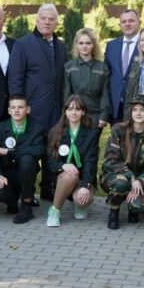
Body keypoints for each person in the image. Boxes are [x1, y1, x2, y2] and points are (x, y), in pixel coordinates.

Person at [101, 94, 144, 229]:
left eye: (142, 110)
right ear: (131, 112)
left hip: (139, 181)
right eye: (135, 110)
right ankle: (114, 210)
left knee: (141, 206)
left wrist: (139, 181)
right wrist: (131, 177)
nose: (138, 113)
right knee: (121, 183)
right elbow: (110, 161)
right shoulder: (118, 130)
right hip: (115, 176)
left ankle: (132, 209)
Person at [7, 3, 67, 133]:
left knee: (54, 150)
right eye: (43, 18)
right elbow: (15, 79)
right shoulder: (22, 45)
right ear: (37, 21)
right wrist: (19, 108)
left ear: (56, 23)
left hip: (57, 111)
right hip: (33, 110)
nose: (47, 22)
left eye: (51, 19)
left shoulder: (62, 47)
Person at [0, 95, 47, 224]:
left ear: (28, 110)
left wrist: (9, 152)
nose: (16, 110)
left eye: (20, 107)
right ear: (9, 111)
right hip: (7, 172)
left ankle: (26, 205)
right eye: (13, 107)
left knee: (27, 160)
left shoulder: (37, 128)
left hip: (26, 172)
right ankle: (12, 202)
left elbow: (39, 150)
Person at [43, 95, 99, 226]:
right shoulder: (55, 132)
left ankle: (79, 204)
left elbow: (91, 163)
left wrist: (85, 186)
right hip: (62, 178)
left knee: (82, 200)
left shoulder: (91, 134)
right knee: (69, 175)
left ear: (83, 112)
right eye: (70, 109)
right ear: (65, 111)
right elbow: (50, 162)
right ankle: (55, 211)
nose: (73, 112)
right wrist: (63, 166)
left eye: (77, 109)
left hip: (83, 178)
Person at [63, 28, 112, 128]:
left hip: (95, 117)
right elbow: (66, 93)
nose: (84, 46)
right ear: (76, 44)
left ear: (93, 45)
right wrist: (65, 114)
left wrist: (104, 116)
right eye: (81, 43)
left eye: (88, 43)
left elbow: (105, 95)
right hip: (74, 115)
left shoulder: (102, 68)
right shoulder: (69, 67)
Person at [104, 8, 141, 122]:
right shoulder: (112, 45)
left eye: (131, 21)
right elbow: (107, 74)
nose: (127, 24)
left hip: (138, 104)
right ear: (120, 25)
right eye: (124, 22)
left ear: (139, 23)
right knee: (117, 138)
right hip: (116, 104)